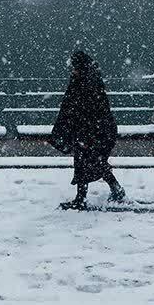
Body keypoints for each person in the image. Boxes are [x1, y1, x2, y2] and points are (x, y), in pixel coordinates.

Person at [48, 50, 125, 209]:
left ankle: (81, 200)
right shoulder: (88, 78)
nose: (72, 70)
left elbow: (83, 107)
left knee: (84, 163)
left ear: (79, 66)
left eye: (74, 67)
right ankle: (116, 190)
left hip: (91, 130)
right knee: (95, 161)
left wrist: (80, 129)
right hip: (95, 129)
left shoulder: (86, 81)